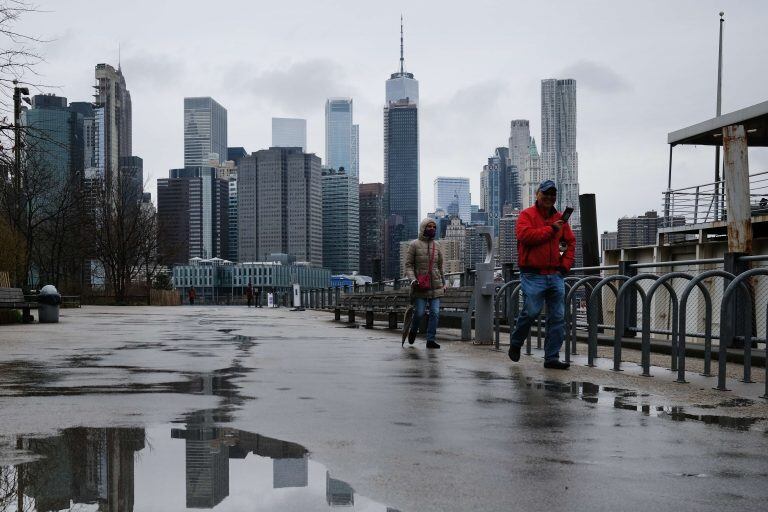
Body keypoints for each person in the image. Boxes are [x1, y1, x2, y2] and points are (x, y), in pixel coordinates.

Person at [508, 180, 575, 369]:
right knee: (531, 312)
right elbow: (525, 236)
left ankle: (551, 358)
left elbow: (570, 242)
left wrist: (565, 266)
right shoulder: (526, 215)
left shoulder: (561, 218)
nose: (549, 197)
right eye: (546, 193)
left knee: (558, 317)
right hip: (533, 275)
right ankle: (516, 342)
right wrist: (551, 229)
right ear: (537, 194)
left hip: (555, 275)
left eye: (553, 194)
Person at [405, 218, 445, 349]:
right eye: (429, 227)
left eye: (434, 227)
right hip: (420, 285)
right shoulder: (414, 245)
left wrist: (444, 283)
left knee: (435, 313)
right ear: (423, 228)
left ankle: (430, 339)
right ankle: (413, 330)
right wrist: (412, 279)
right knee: (420, 313)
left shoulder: (437, 245)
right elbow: (408, 265)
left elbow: (440, 267)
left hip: (436, 285)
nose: (432, 229)